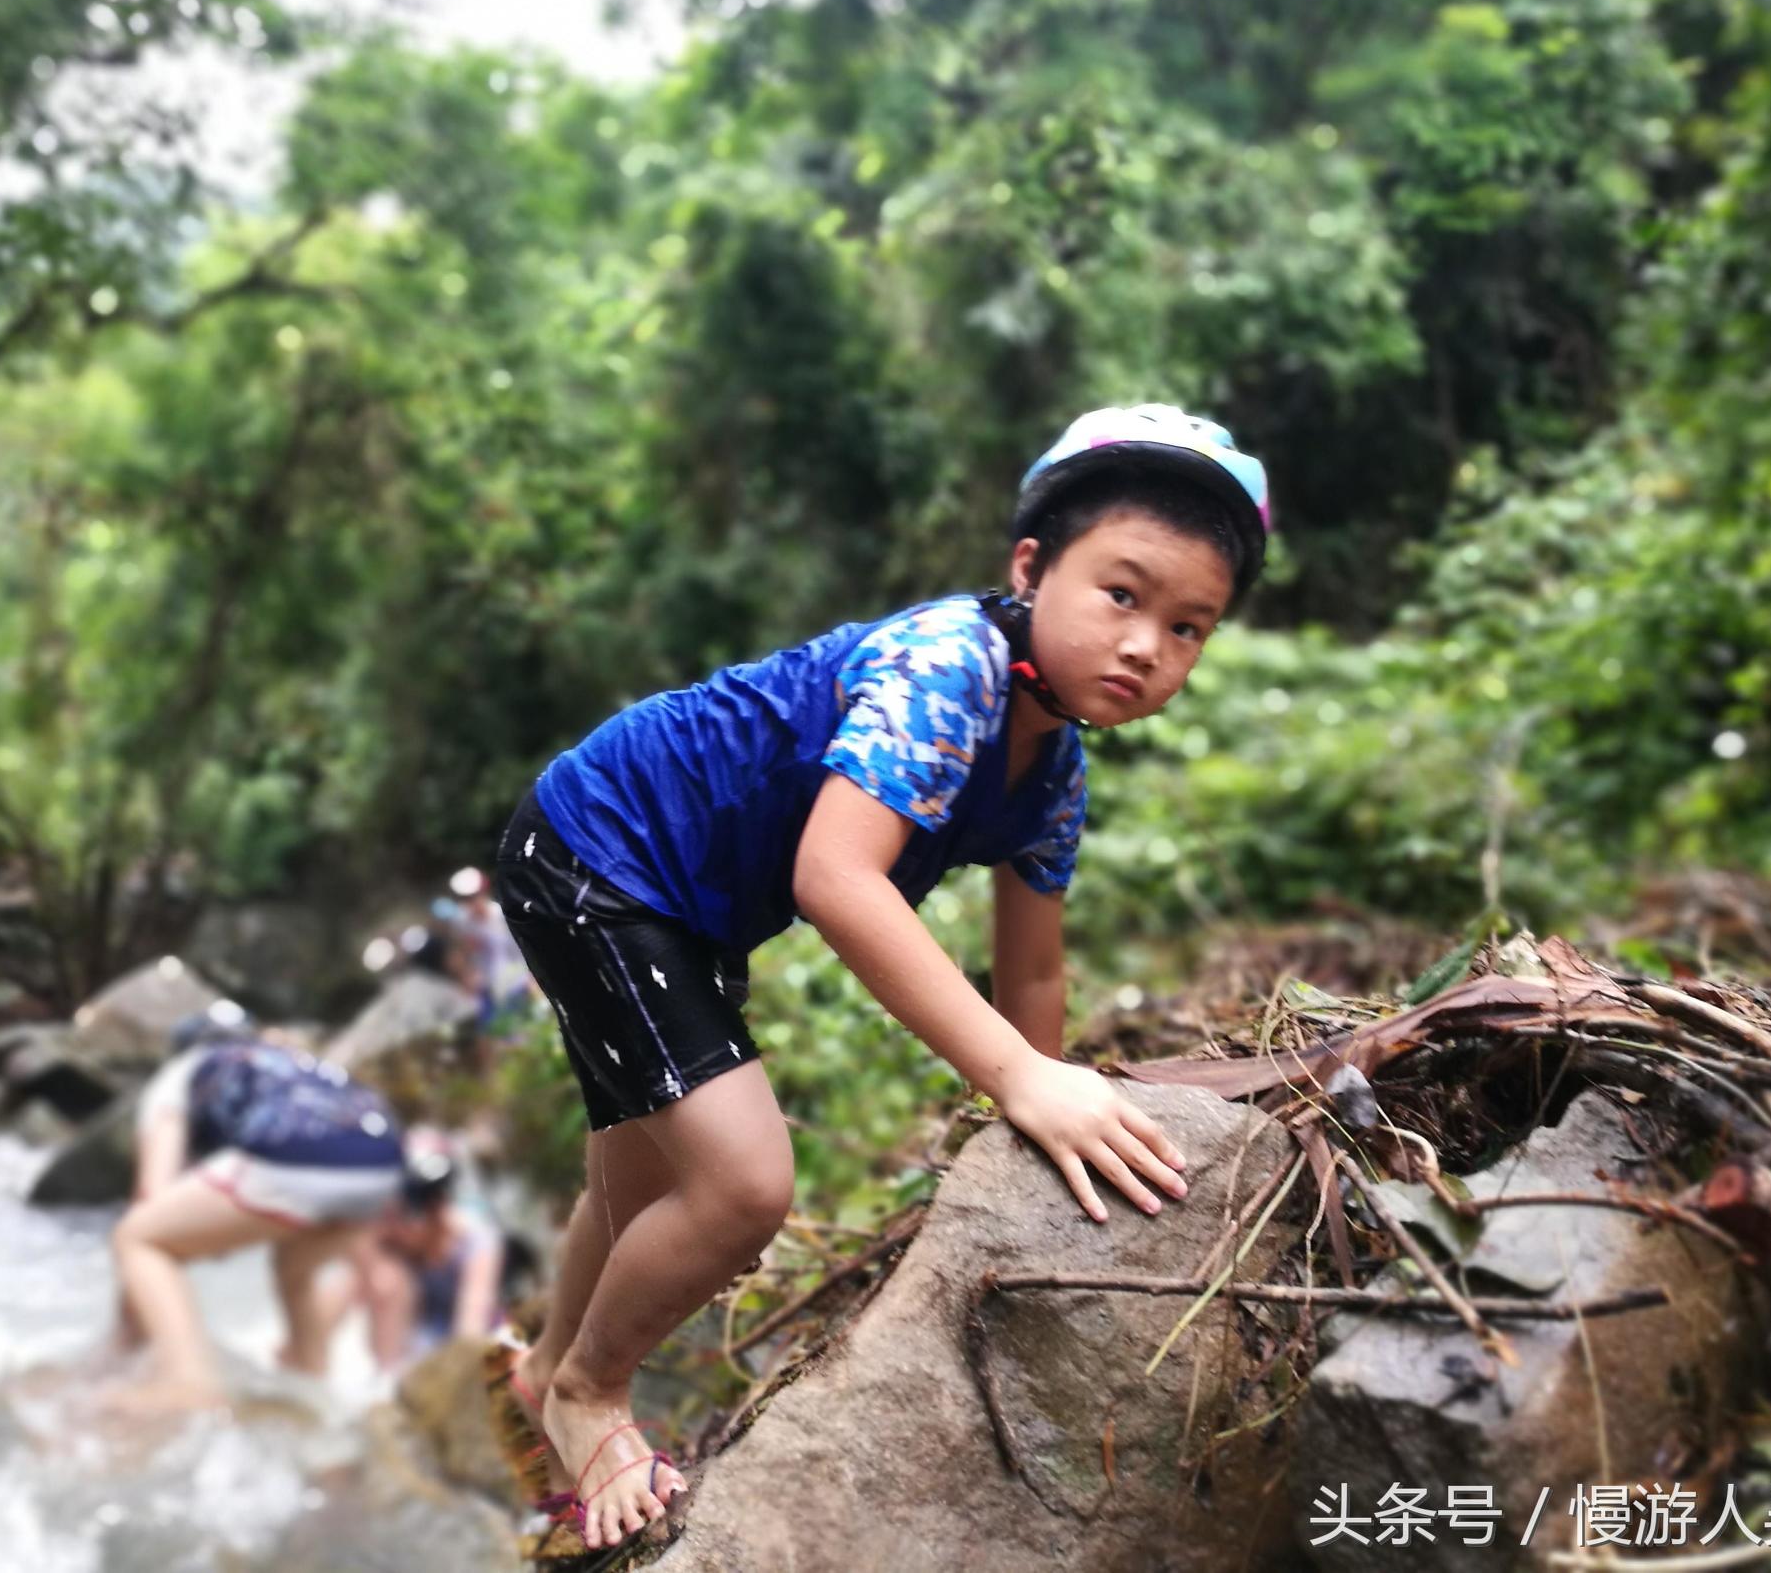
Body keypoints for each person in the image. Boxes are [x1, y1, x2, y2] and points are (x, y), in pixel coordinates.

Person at [492, 405, 1271, 1548]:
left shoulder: (1051, 769)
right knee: (742, 1186)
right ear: (1030, 567)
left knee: (643, 1155)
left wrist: (1037, 1097)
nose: (1147, 644)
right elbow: (836, 878)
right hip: (596, 852)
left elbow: (1032, 966)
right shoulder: (946, 666)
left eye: (1187, 626)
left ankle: (540, 1372)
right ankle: (587, 1389)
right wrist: (1017, 1078)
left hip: (685, 900)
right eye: (1121, 593)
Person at [114, 1010, 406, 1411]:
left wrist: (126, 1335)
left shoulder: (181, 1073)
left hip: (295, 1154)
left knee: (136, 1237)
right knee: (294, 1269)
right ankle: (311, 1382)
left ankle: (189, 1383)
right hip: (385, 1165)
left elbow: (151, 1193)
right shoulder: (288, 1060)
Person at [338, 1135, 505, 1372]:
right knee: (386, 1280)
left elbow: (471, 1324)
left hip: (464, 1345)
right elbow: (352, 1281)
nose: (394, 1227)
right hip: (412, 1338)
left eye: (402, 1217)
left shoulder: (475, 1241)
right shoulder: (391, 1234)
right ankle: (382, 1376)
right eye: (388, 1215)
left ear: (437, 1211)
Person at [450, 866, 533, 1028]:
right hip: (485, 986)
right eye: (466, 899)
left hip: (516, 983)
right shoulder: (461, 922)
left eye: (474, 897)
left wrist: (531, 978)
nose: (472, 903)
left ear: (483, 892)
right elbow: (463, 952)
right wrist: (466, 975)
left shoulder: (501, 915)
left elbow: (522, 949)